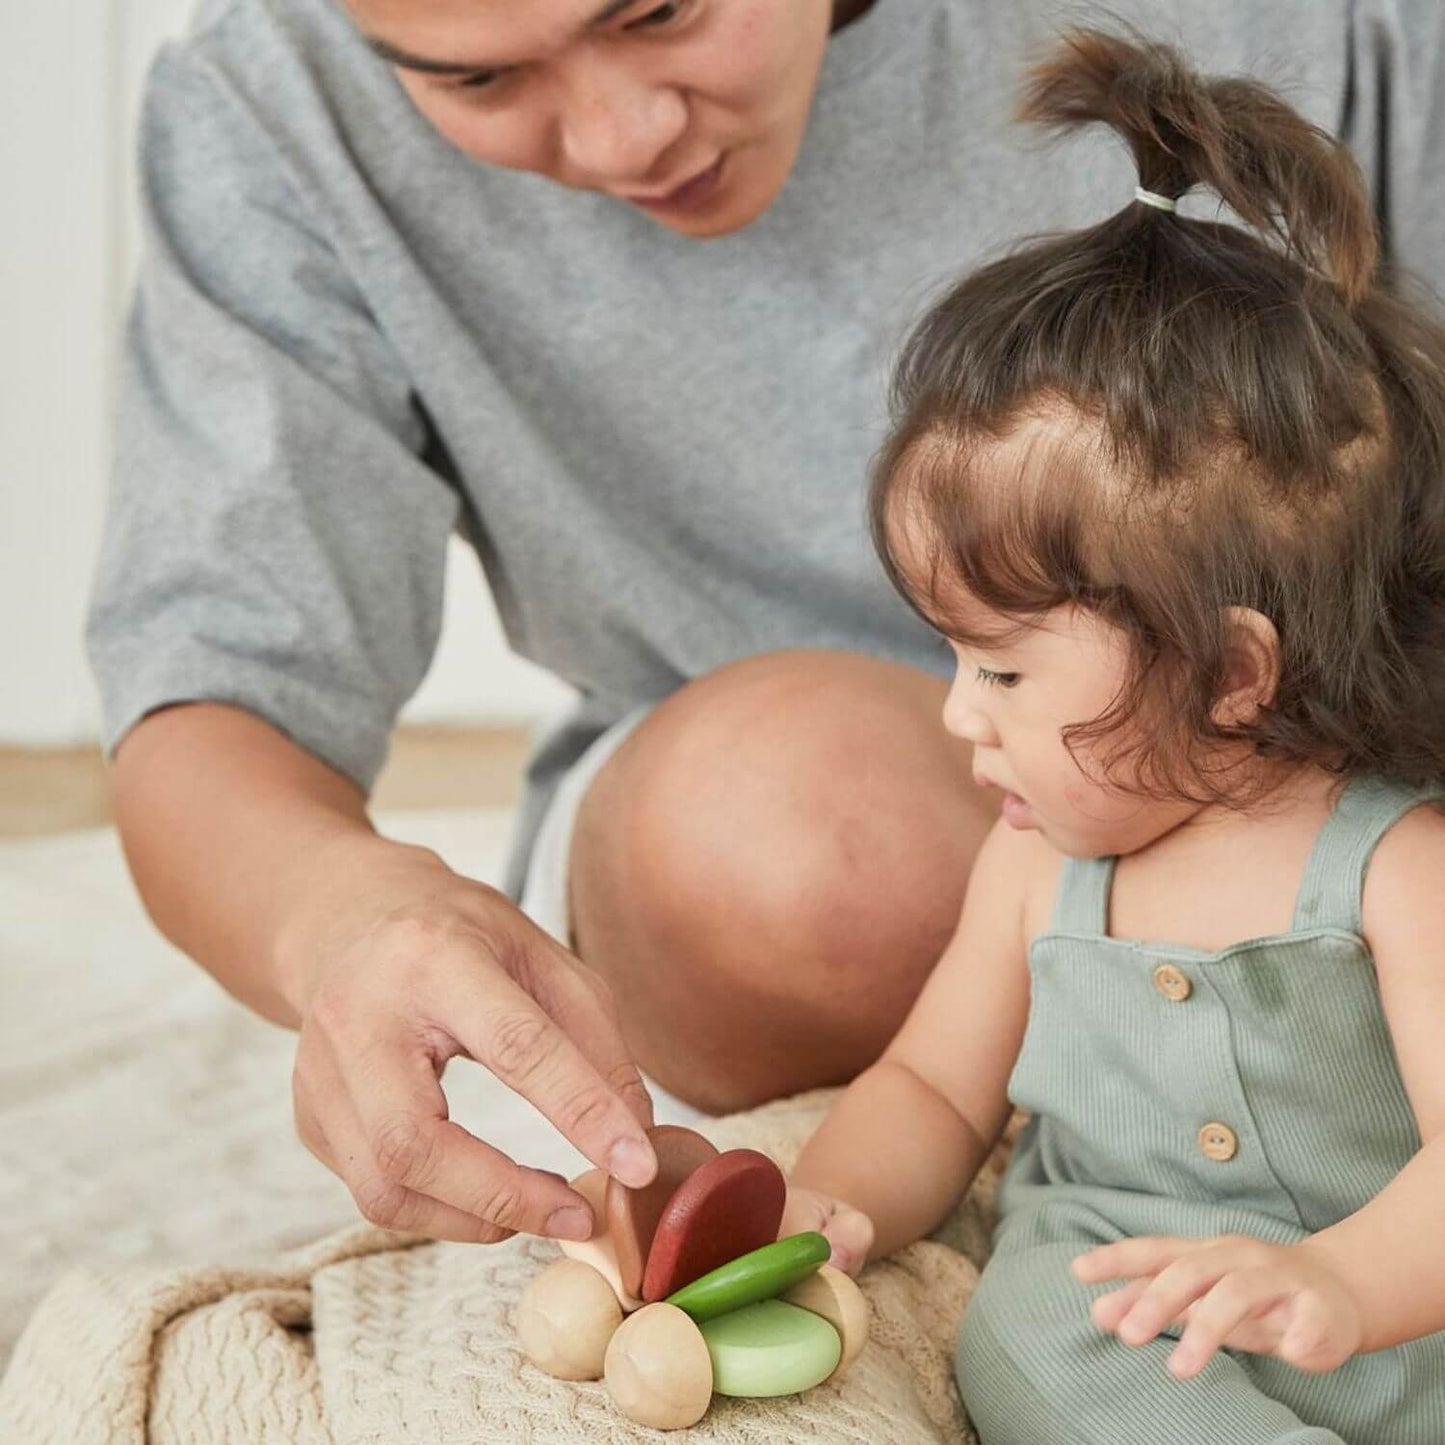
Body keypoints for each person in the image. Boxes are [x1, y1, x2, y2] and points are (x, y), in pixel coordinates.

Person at [85, 0, 1444, 1255]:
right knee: (794, 838)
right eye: (477, 76)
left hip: (1336, 751)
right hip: (756, 838)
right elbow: (213, 683)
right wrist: (336, 915)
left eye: (663, 8)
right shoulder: (270, 105)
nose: (624, 137)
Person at [783, 27, 1445, 1445]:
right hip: (1132, 1309)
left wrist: (1339, 1275)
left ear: (1225, 670)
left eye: (1005, 672)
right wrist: (820, 1201)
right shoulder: (1035, 863)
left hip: (1396, 1296)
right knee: (1026, 1337)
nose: (958, 711)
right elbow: (926, 1087)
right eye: (951, 658)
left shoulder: (1390, 860)